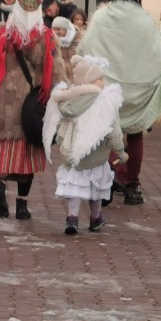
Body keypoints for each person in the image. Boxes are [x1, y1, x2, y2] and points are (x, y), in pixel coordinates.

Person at [78, 0, 161, 206]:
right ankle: (132, 184)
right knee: (135, 135)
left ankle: (107, 176)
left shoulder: (101, 17)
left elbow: (85, 49)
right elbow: (159, 52)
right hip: (135, 91)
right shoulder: (144, 19)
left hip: (106, 89)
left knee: (107, 135)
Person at [0, 0, 66, 219]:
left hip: (3, 105)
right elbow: (57, 73)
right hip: (32, 107)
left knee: (4, 153)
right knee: (27, 157)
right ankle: (22, 205)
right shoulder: (46, 36)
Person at [43, 55, 127, 235]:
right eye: (100, 79)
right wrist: (121, 152)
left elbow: (61, 125)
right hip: (97, 157)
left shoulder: (69, 99)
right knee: (97, 188)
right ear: (92, 81)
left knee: (75, 186)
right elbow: (114, 131)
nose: (103, 82)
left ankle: (72, 218)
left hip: (74, 155)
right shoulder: (106, 101)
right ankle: (95, 218)